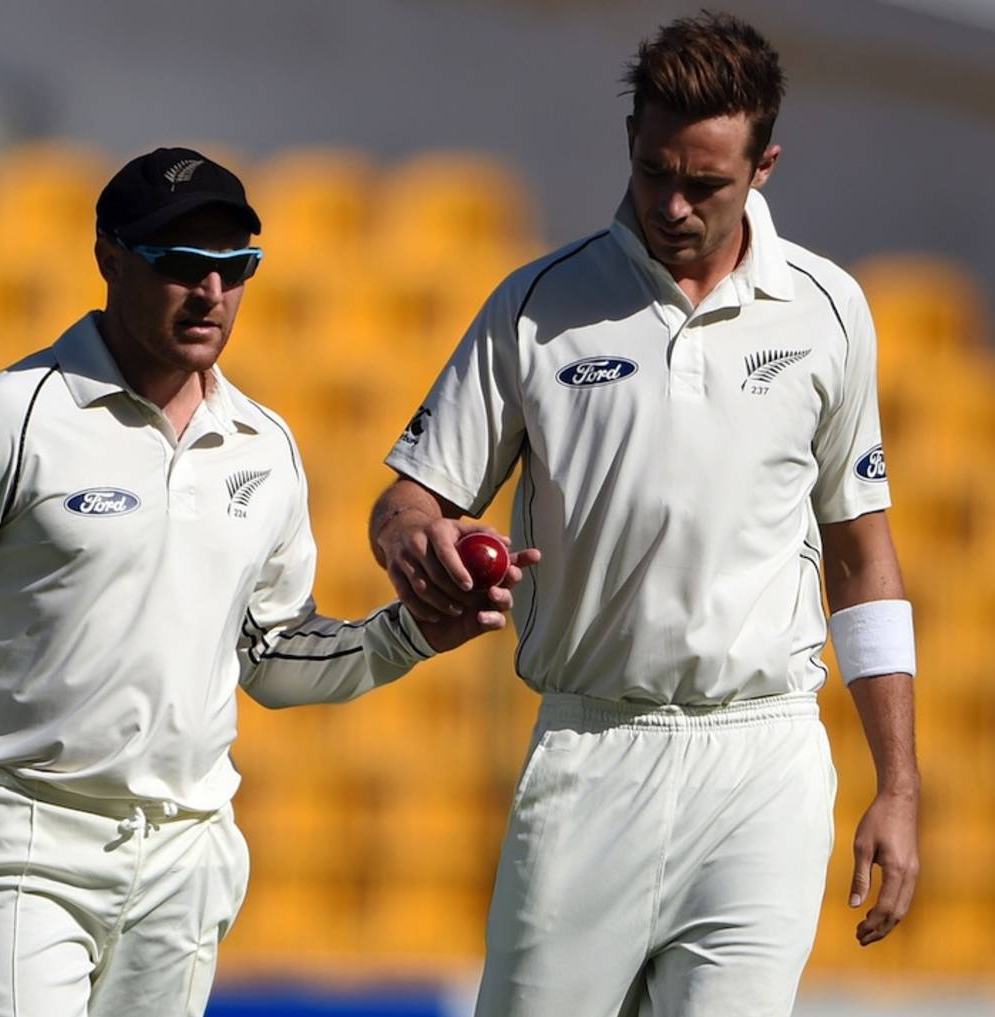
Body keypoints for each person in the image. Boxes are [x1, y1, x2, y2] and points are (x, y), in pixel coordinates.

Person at [0, 146, 529, 1017]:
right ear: (110, 258)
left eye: (234, 268)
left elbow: (272, 656)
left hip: (185, 857)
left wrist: (408, 635)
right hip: (24, 844)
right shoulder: (8, 419)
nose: (210, 293)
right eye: (180, 265)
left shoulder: (265, 445)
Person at [370, 13, 919, 1017]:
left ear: (763, 166)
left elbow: (860, 557)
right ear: (630, 137)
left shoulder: (829, 309)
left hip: (763, 761)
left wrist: (896, 786)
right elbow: (410, 499)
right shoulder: (536, 303)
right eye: (651, 170)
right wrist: (419, 542)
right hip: (591, 752)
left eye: (701, 184)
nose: (670, 204)